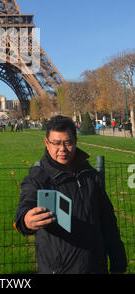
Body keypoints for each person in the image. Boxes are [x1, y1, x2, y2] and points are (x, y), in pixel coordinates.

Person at [14, 115, 127, 274]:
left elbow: (108, 222)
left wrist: (118, 263)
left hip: (96, 267)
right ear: (47, 143)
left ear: (75, 141)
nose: (62, 149)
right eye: (56, 143)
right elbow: (25, 207)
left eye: (67, 143)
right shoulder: (38, 178)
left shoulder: (90, 175)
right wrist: (26, 220)